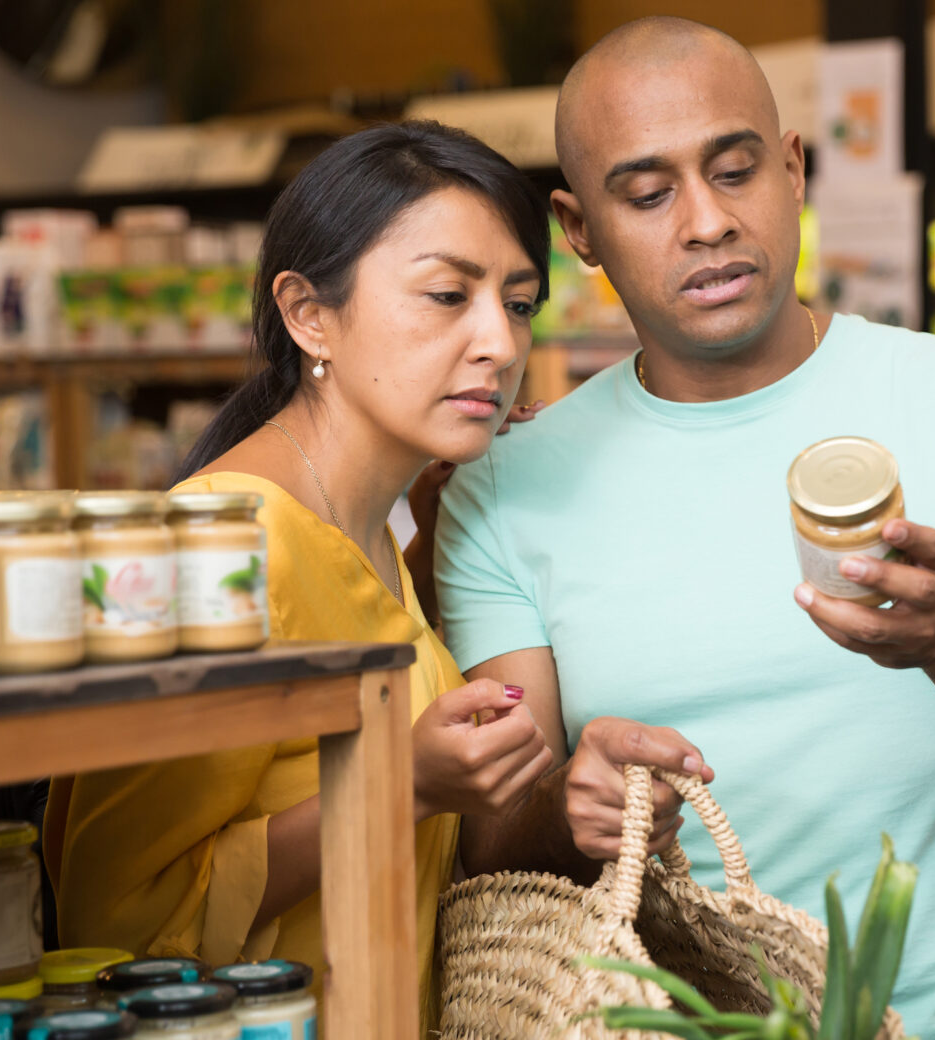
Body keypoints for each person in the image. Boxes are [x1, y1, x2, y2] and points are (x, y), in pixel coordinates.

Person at [433, 18, 935, 1037]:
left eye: (735, 171)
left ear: (793, 171)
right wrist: (568, 803)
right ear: (578, 229)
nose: (705, 222)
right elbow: (486, 852)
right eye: (647, 195)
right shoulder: (508, 487)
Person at [44, 121, 555, 1030]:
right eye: (447, 294)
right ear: (308, 313)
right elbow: (117, 921)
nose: (499, 343)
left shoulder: (370, 531)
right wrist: (403, 785)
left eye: (518, 304)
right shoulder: (220, 547)